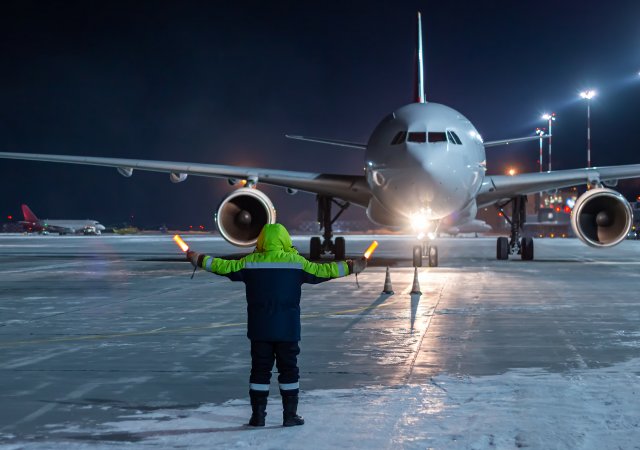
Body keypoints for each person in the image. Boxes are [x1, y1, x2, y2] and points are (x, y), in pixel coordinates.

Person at [186, 223, 366, 427]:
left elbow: (221, 266)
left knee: (259, 371)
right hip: (287, 330)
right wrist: (351, 266)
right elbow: (324, 270)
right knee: (289, 371)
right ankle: (290, 415)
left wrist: (198, 258)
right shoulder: (296, 263)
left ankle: (258, 416)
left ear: (261, 240)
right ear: (285, 240)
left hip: (259, 329)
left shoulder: (250, 263)